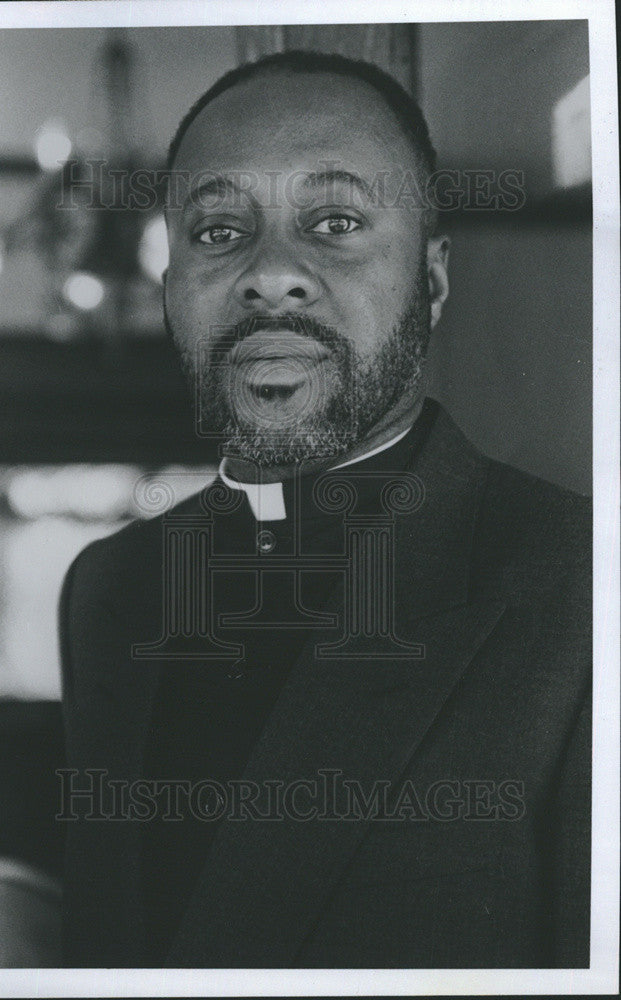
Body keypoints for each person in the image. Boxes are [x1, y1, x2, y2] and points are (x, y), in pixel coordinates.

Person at [59, 51, 591, 969]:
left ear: (429, 282)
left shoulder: (581, 586)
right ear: (169, 291)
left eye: (335, 221)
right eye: (218, 231)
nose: (272, 275)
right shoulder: (108, 587)